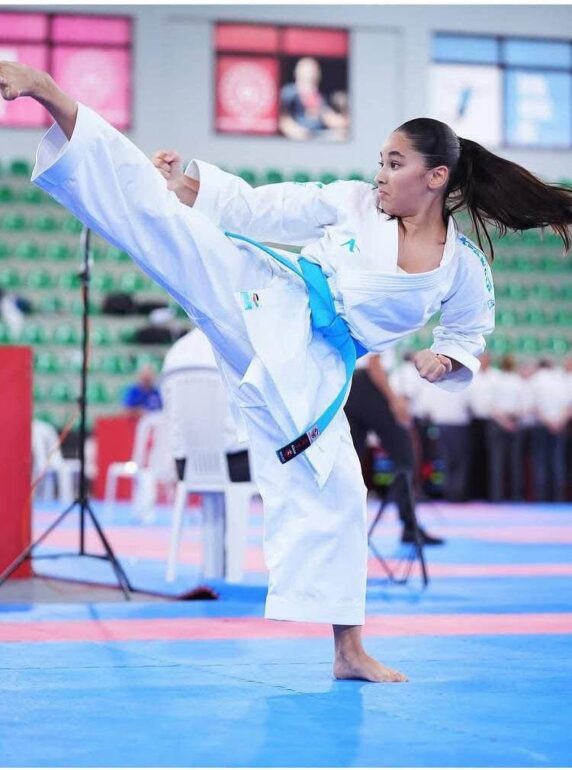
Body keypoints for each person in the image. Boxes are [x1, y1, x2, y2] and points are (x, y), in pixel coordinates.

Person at [2, 61, 570, 684]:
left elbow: (467, 334)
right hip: (268, 297)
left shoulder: (462, 268)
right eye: (380, 161)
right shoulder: (353, 204)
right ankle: (48, 91)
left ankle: (348, 651)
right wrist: (186, 185)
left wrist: (447, 359)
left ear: (436, 177)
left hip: (316, 367)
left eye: (395, 163)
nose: (380, 174)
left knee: (344, 492)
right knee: (160, 223)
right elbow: (262, 208)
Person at [344, 350, 445, 545]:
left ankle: (344, 530)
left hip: (350, 386)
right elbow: (374, 362)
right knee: (404, 455)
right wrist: (394, 400)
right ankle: (409, 525)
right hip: (368, 384)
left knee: (350, 460)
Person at [160, 327, 252, 483]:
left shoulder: (175, 352)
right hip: (237, 463)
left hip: (185, 464)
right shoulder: (238, 344)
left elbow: (167, 409)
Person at [279, 57, 348, 141]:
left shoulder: (320, 96)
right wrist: (296, 132)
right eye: (308, 71)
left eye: (315, 71)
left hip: (318, 137)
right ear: (298, 72)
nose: (312, 74)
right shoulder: (288, 92)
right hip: (297, 138)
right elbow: (283, 120)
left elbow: (329, 118)